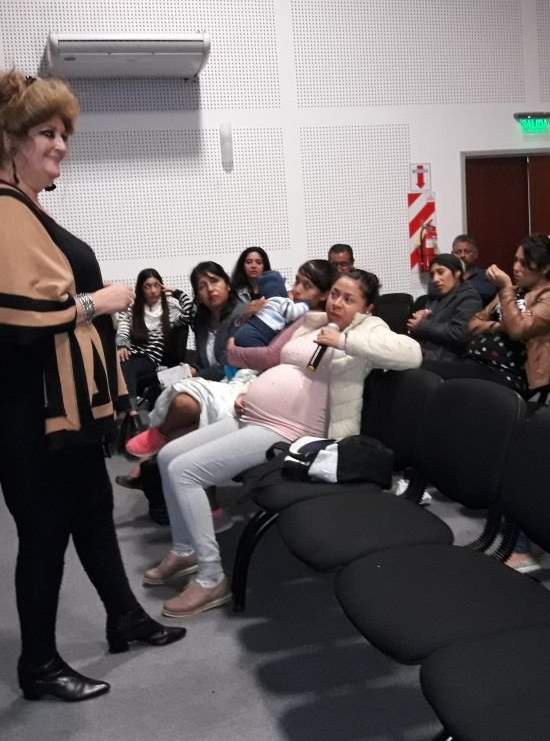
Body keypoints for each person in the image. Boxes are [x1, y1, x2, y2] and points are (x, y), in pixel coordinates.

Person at [0, 70, 184, 703]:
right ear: (11, 140)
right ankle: (37, 664)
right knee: (43, 532)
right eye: (46, 133)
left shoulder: (17, 206)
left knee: (92, 510)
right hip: (28, 408)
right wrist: (102, 301)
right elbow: (16, 317)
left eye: (65, 134)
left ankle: (124, 616)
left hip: (57, 406)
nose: (61, 145)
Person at [143, 270, 422, 617]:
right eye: (335, 294)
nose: (337, 302)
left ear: (367, 307)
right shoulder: (314, 320)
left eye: (349, 299)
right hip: (254, 414)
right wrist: (249, 390)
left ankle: (211, 578)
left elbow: (411, 354)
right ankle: (186, 550)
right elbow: (278, 361)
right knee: (169, 455)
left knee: (185, 471)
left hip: (291, 430)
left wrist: (344, 341)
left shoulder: (367, 328)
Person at [125, 261, 247, 459]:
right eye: (202, 286)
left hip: (236, 381)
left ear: (227, 284)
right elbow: (202, 360)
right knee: (163, 394)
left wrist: (196, 374)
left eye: (214, 281)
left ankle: (155, 440)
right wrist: (192, 369)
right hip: (208, 379)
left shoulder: (242, 314)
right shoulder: (202, 321)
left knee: (181, 403)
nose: (210, 289)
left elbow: (230, 363)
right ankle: (152, 460)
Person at [458, 234, 550, 394]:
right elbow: (473, 325)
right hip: (475, 360)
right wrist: (501, 326)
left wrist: (505, 288)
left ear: (545, 268)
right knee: (429, 373)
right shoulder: (513, 291)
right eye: (516, 260)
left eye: (524, 263)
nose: (516, 267)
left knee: (444, 383)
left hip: (510, 372)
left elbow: (518, 330)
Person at [115, 268, 193, 405]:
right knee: (122, 364)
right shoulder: (133, 309)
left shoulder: (170, 309)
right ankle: (133, 403)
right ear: (141, 290)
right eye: (147, 286)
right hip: (132, 354)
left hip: (150, 358)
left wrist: (177, 293)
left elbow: (189, 314)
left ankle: (130, 408)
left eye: (156, 285)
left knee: (127, 367)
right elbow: (123, 328)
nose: (153, 290)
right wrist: (122, 345)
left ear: (161, 287)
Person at [407, 253, 482, 365]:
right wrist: (417, 323)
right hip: (428, 356)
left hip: (451, 363)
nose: (435, 279)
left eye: (441, 272)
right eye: (432, 275)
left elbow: (460, 333)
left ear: (457, 273)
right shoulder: (435, 297)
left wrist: (421, 325)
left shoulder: (469, 298)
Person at [231, 269, 310, 350]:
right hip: (258, 332)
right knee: (261, 355)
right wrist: (306, 304)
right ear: (283, 292)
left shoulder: (265, 302)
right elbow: (293, 312)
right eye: (290, 292)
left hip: (247, 330)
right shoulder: (281, 302)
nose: (294, 292)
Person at [451, 234, 496, 305]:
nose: (462, 255)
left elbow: (490, 293)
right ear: (452, 255)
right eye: (458, 252)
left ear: (476, 254)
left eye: (467, 251)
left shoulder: (487, 276)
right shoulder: (447, 277)